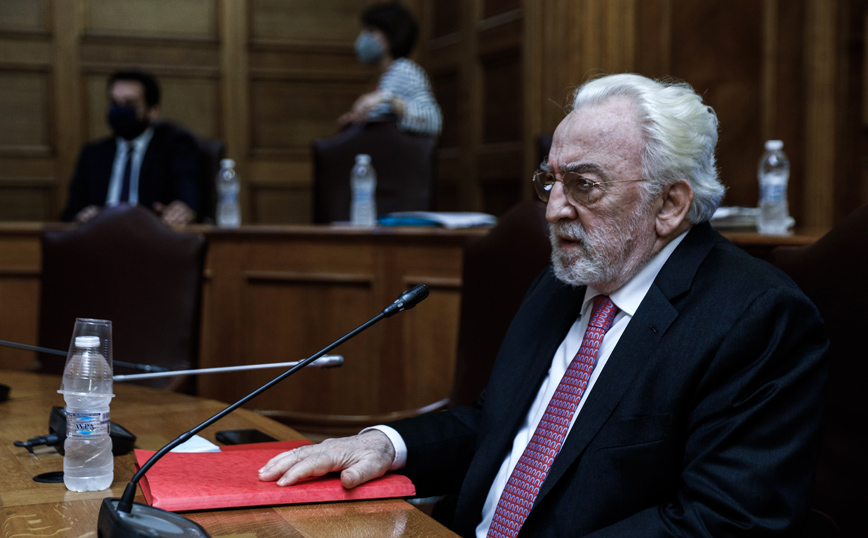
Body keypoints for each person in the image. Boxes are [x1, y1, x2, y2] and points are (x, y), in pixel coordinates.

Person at [259, 74, 829, 537]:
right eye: (551, 181)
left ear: (670, 204)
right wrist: (385, 444)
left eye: (584, 185)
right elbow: (497, 423)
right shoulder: (565, 282)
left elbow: (724, 521)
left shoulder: (756, 318)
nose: (554, 209)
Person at [61, 69, 201, 226]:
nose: (120, 110)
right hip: (101, 235)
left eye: (130, 104)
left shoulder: (174, 149)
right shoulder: (93, 154)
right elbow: (70, 214)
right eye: (115, 103)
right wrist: (82, 216)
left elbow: (187, 199)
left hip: (151, 235)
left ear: (152, 110)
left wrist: (181, 210)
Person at [339, 2, 442, 137]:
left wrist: (387, 99)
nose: (363, 37)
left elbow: (432, 121)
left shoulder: (405, 70)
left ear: (392, 35)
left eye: (371, 30)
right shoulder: (389, 75)